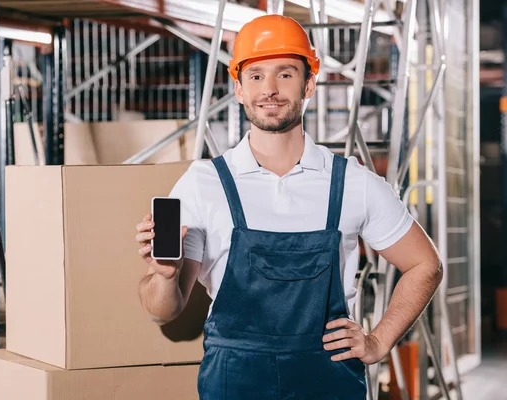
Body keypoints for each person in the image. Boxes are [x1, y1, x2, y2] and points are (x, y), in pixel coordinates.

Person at [135, 14, 442, 399]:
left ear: (308, 83)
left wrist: (379, 341)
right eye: (256, 75)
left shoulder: (351, 183)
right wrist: (163, 276)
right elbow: (162, 312)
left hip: (328, 381)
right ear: (240, 89)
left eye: (285, 74)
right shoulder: (203, 183)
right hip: (235, 383)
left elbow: (425, 264)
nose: (270, 89)